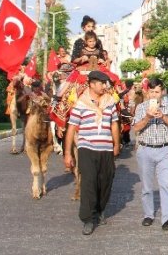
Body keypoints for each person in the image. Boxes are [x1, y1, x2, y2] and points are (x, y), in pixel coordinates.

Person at [63, 70, 121, 235]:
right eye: (102, 83)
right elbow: (71, 128)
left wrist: (116, 144)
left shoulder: (110, 102)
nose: (105, 86)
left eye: (105, 83)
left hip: (106, 149)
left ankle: (100, 209)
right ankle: (87, 218)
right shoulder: (80, 104)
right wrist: (68, 153)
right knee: (88, 183)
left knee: (106, 181)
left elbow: (114, 124)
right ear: (92, 84)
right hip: (87, 148)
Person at [132, 78, 168, 230]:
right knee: (147, 186)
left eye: (158, 92)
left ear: (162, 93)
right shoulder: (141, 107)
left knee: (165, 184)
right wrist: (147, 117)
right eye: (152, 92)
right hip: (145, 149)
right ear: (148, 93)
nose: (155, 95)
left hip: (164, 149)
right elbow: (135, 128)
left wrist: (163, 117)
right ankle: (148, 214)